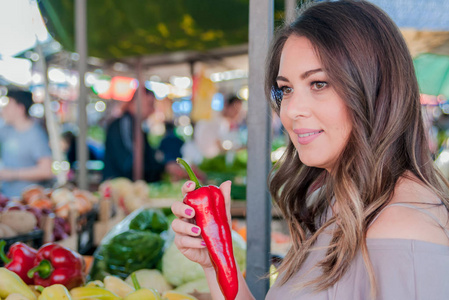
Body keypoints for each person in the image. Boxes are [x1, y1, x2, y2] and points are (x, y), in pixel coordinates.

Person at [170, 1, 449, 299]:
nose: (291, 111)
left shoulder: (404, 233)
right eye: (286, 89)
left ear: (376, 89)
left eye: (319, 83)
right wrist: (216, 257)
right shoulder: (341, 200)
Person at [102, 88, 165, 182]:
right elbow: (128, 162)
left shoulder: (137, 126)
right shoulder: (124, 125)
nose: (152, 110)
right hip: (120, 187)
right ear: (135, 103)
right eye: (149, 105)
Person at [0, 90, 53, 198]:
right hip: (7, 197)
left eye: (8, 106)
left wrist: (12, 174)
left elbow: (46, 170)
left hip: (27, 201)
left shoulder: (36, 135)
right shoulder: (7, 130)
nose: (3, 111)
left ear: (20, 109)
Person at [193, 96, 244, 160]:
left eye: (239, 111)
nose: (237, 113)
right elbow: (220, 147)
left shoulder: (222, 121)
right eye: (235, 109)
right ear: (226, 105)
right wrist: (238, 149)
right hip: (201, 159)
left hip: (205, 159)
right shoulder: (218, 121)